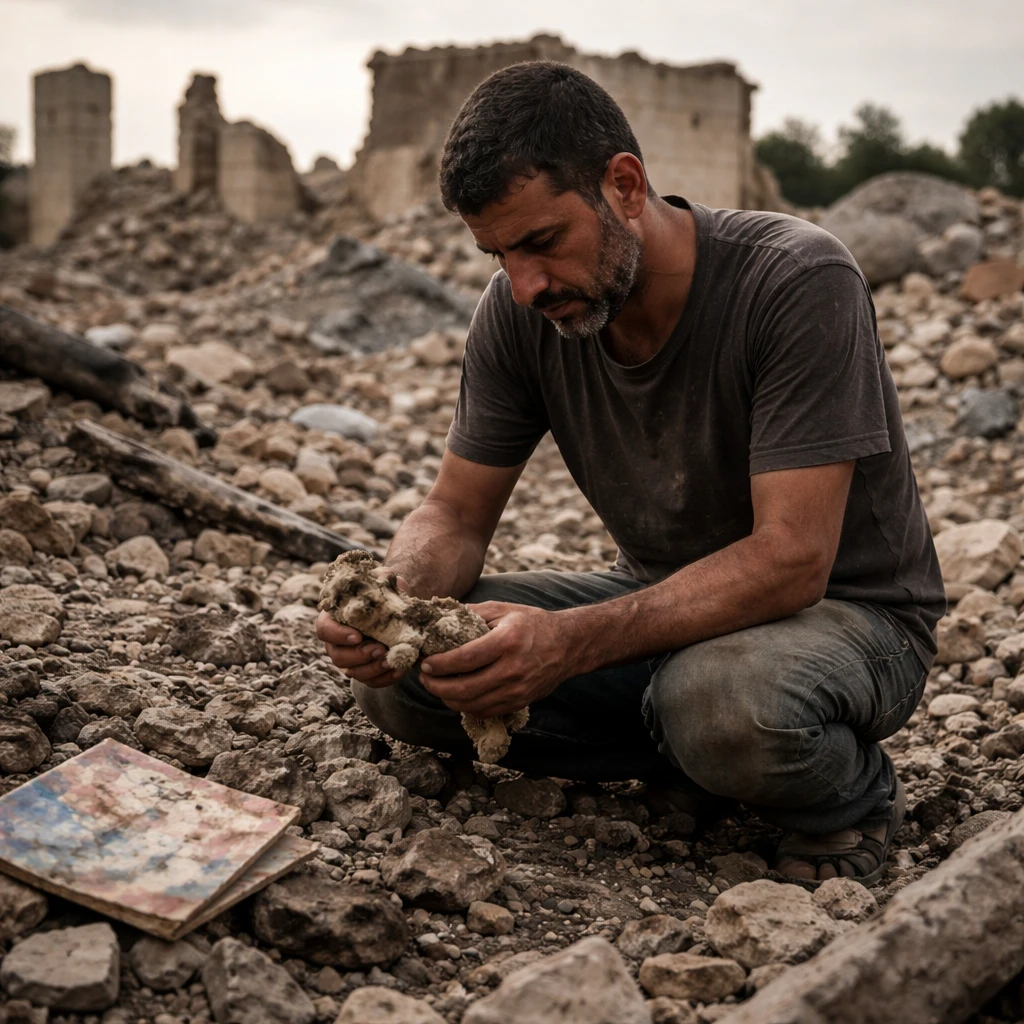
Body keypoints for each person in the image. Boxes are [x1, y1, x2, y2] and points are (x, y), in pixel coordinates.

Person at [317, 61, 945, 886]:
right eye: (498, 254)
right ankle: (699, 754)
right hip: (663, 614)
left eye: (542, 242)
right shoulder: (518, 314)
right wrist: (390, 607)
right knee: (415, 682)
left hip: (849, 619)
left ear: (624, 186)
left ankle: (845, 802)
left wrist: (569, 644)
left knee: (721, 703)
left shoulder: (794, 280)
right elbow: (456, 515)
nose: (525, 284)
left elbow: (793, 559)